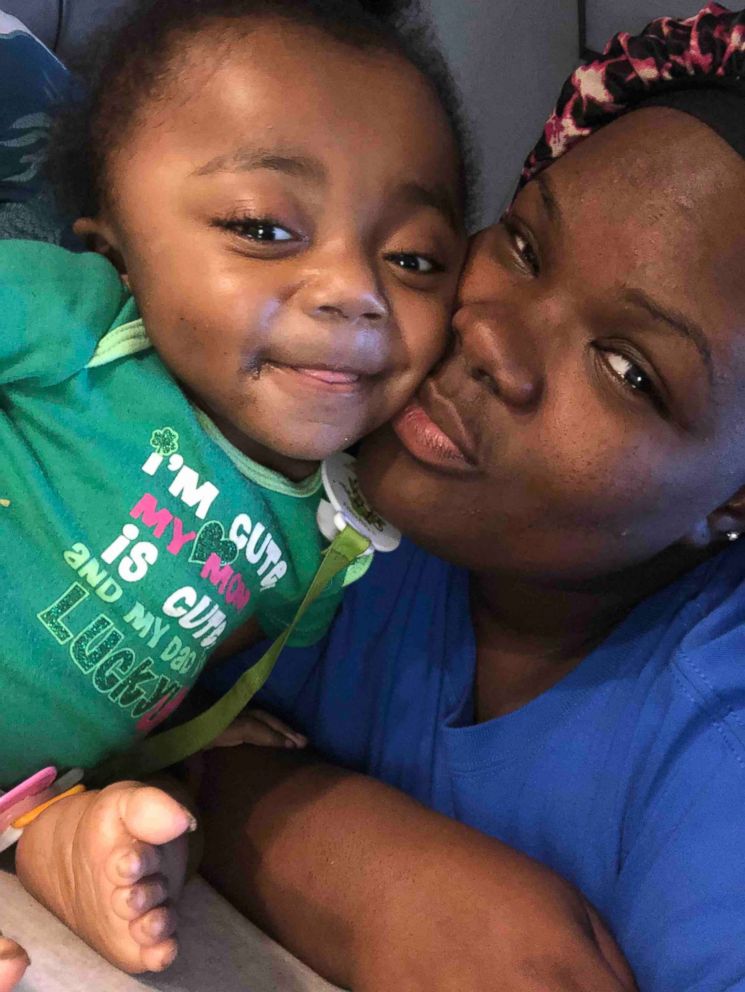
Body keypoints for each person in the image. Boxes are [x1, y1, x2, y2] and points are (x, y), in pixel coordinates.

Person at [194, 4, 745, 991]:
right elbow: (92, 730)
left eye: (626, 369)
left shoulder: (716, 746)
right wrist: (373, 868)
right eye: (528, 246)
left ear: (736, 501)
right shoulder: (326, 476)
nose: (491, 338)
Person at [0, 0, 472, 978]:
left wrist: (192, 726)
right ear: (118, 250)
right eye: (264, 227)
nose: (352, 285)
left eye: (414, 256)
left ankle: (78, 854)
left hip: (30, 782)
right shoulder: (79, 320)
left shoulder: (335, 528)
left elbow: (232, 638)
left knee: (141, 825)